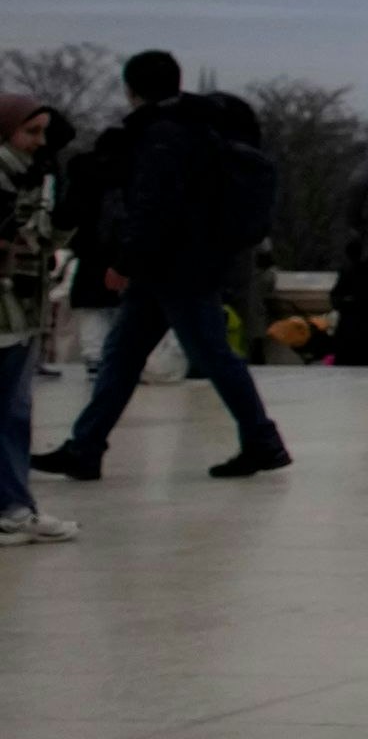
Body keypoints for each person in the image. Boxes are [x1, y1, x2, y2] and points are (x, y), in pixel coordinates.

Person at [34, 51, 290, 481]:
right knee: (124, 356)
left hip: (176, 266)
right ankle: (85, 446)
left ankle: (263, 440)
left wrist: (126, 261)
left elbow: (154, 207)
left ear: (131, 89)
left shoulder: (161, 135)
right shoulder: (194, 128)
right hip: (181, 263)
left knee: (207, 355)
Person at [0, 93, 80, 543]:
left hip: (20, 308)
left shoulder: (27, 174)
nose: (39, 142)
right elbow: (29, 239)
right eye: (31, 132)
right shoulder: (11, 175)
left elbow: (39, 239)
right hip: (9, 309)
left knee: (12, 411)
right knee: (10, 412)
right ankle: (12, 508)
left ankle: (14, 506)